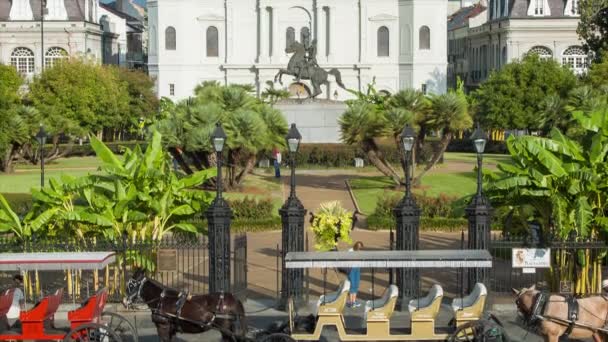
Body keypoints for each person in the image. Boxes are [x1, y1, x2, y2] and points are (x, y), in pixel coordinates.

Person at [347, 241, 364, 308]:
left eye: (360, 248)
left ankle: (353, 301)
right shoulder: (350, 251)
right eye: (358, 247)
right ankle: (351, 302)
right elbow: (348, 260)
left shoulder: (359, 252)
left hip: (357, 268)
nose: (359, 249)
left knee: (356, 284)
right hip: (352, 269)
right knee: (352, 284)